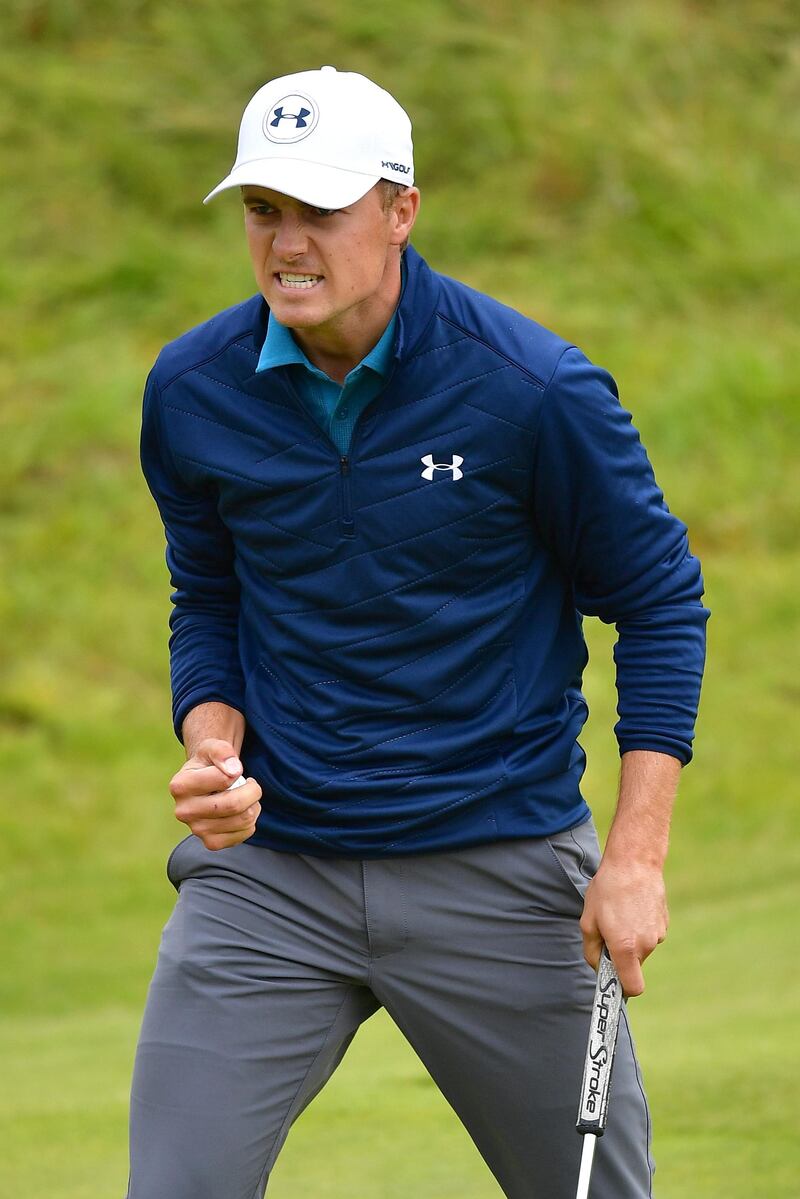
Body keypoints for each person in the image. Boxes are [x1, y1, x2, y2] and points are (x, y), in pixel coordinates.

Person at [128, 65, 709, 1198]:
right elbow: (208, 596)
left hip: (495, 861)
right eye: (262, 211)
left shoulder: (531, 390)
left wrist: (633, 857)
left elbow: (657, 602)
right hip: (270, 875)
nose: (286, 243)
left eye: (320, 211)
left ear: (399, 209)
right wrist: (212, 742)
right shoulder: (192, 389)